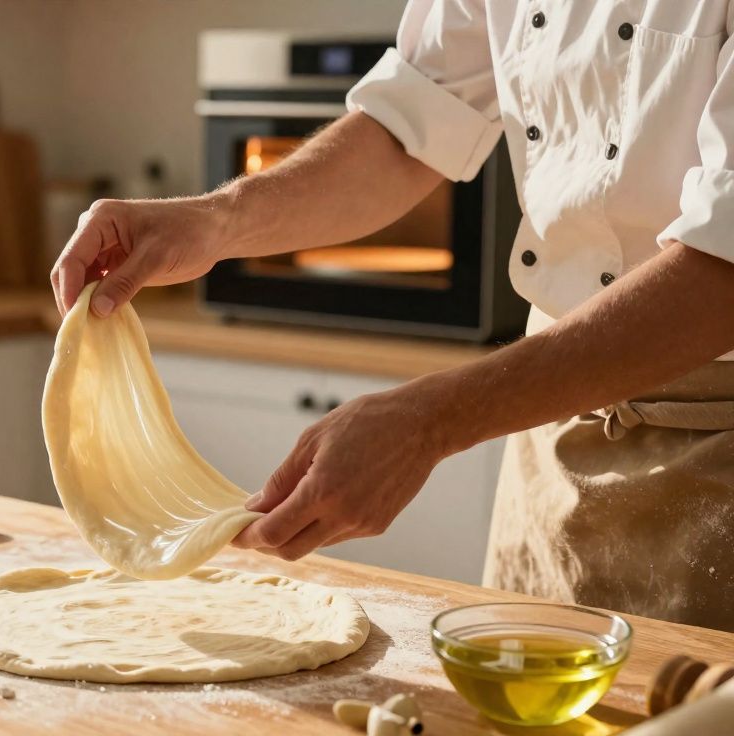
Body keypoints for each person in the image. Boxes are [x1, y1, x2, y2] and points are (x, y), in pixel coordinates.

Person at [50, 0, 734, 632]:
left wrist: (429, 422)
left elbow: (723, 272)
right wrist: (212, 221)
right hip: (548, 447)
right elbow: (408, 127)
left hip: (716, 460)